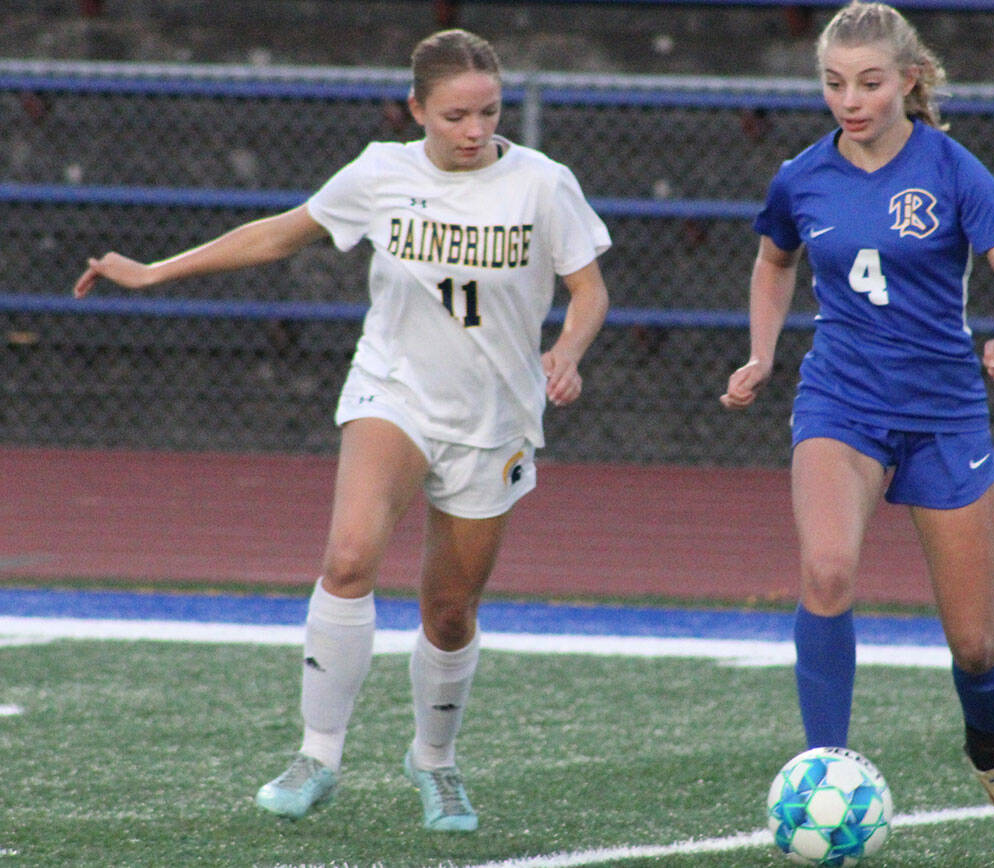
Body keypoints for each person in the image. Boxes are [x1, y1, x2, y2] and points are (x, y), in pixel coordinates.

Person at [74, 29, 611, 832]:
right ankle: (317, 754)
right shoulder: (380, 172)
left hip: (495, 417)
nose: (475, 130)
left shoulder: (543, 184)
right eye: (456, 114)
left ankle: (435, 763)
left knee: (450, 611)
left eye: (489, 112)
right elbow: (281, 233)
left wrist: (566, 349)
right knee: (351, 556)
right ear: (417, 110)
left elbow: (589, 288)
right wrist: (156, 270)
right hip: (393, 392)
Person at [720, 2, 994, 851]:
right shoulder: (802, 176)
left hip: (944, 414)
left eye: (869, 83)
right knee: (827, 572)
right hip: (842, 402)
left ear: (910, 79)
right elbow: (772, 260)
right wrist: (762, 354)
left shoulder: (952, 168)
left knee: (975, 644)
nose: (850, 100)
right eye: (834, 84)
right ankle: (825, 769)